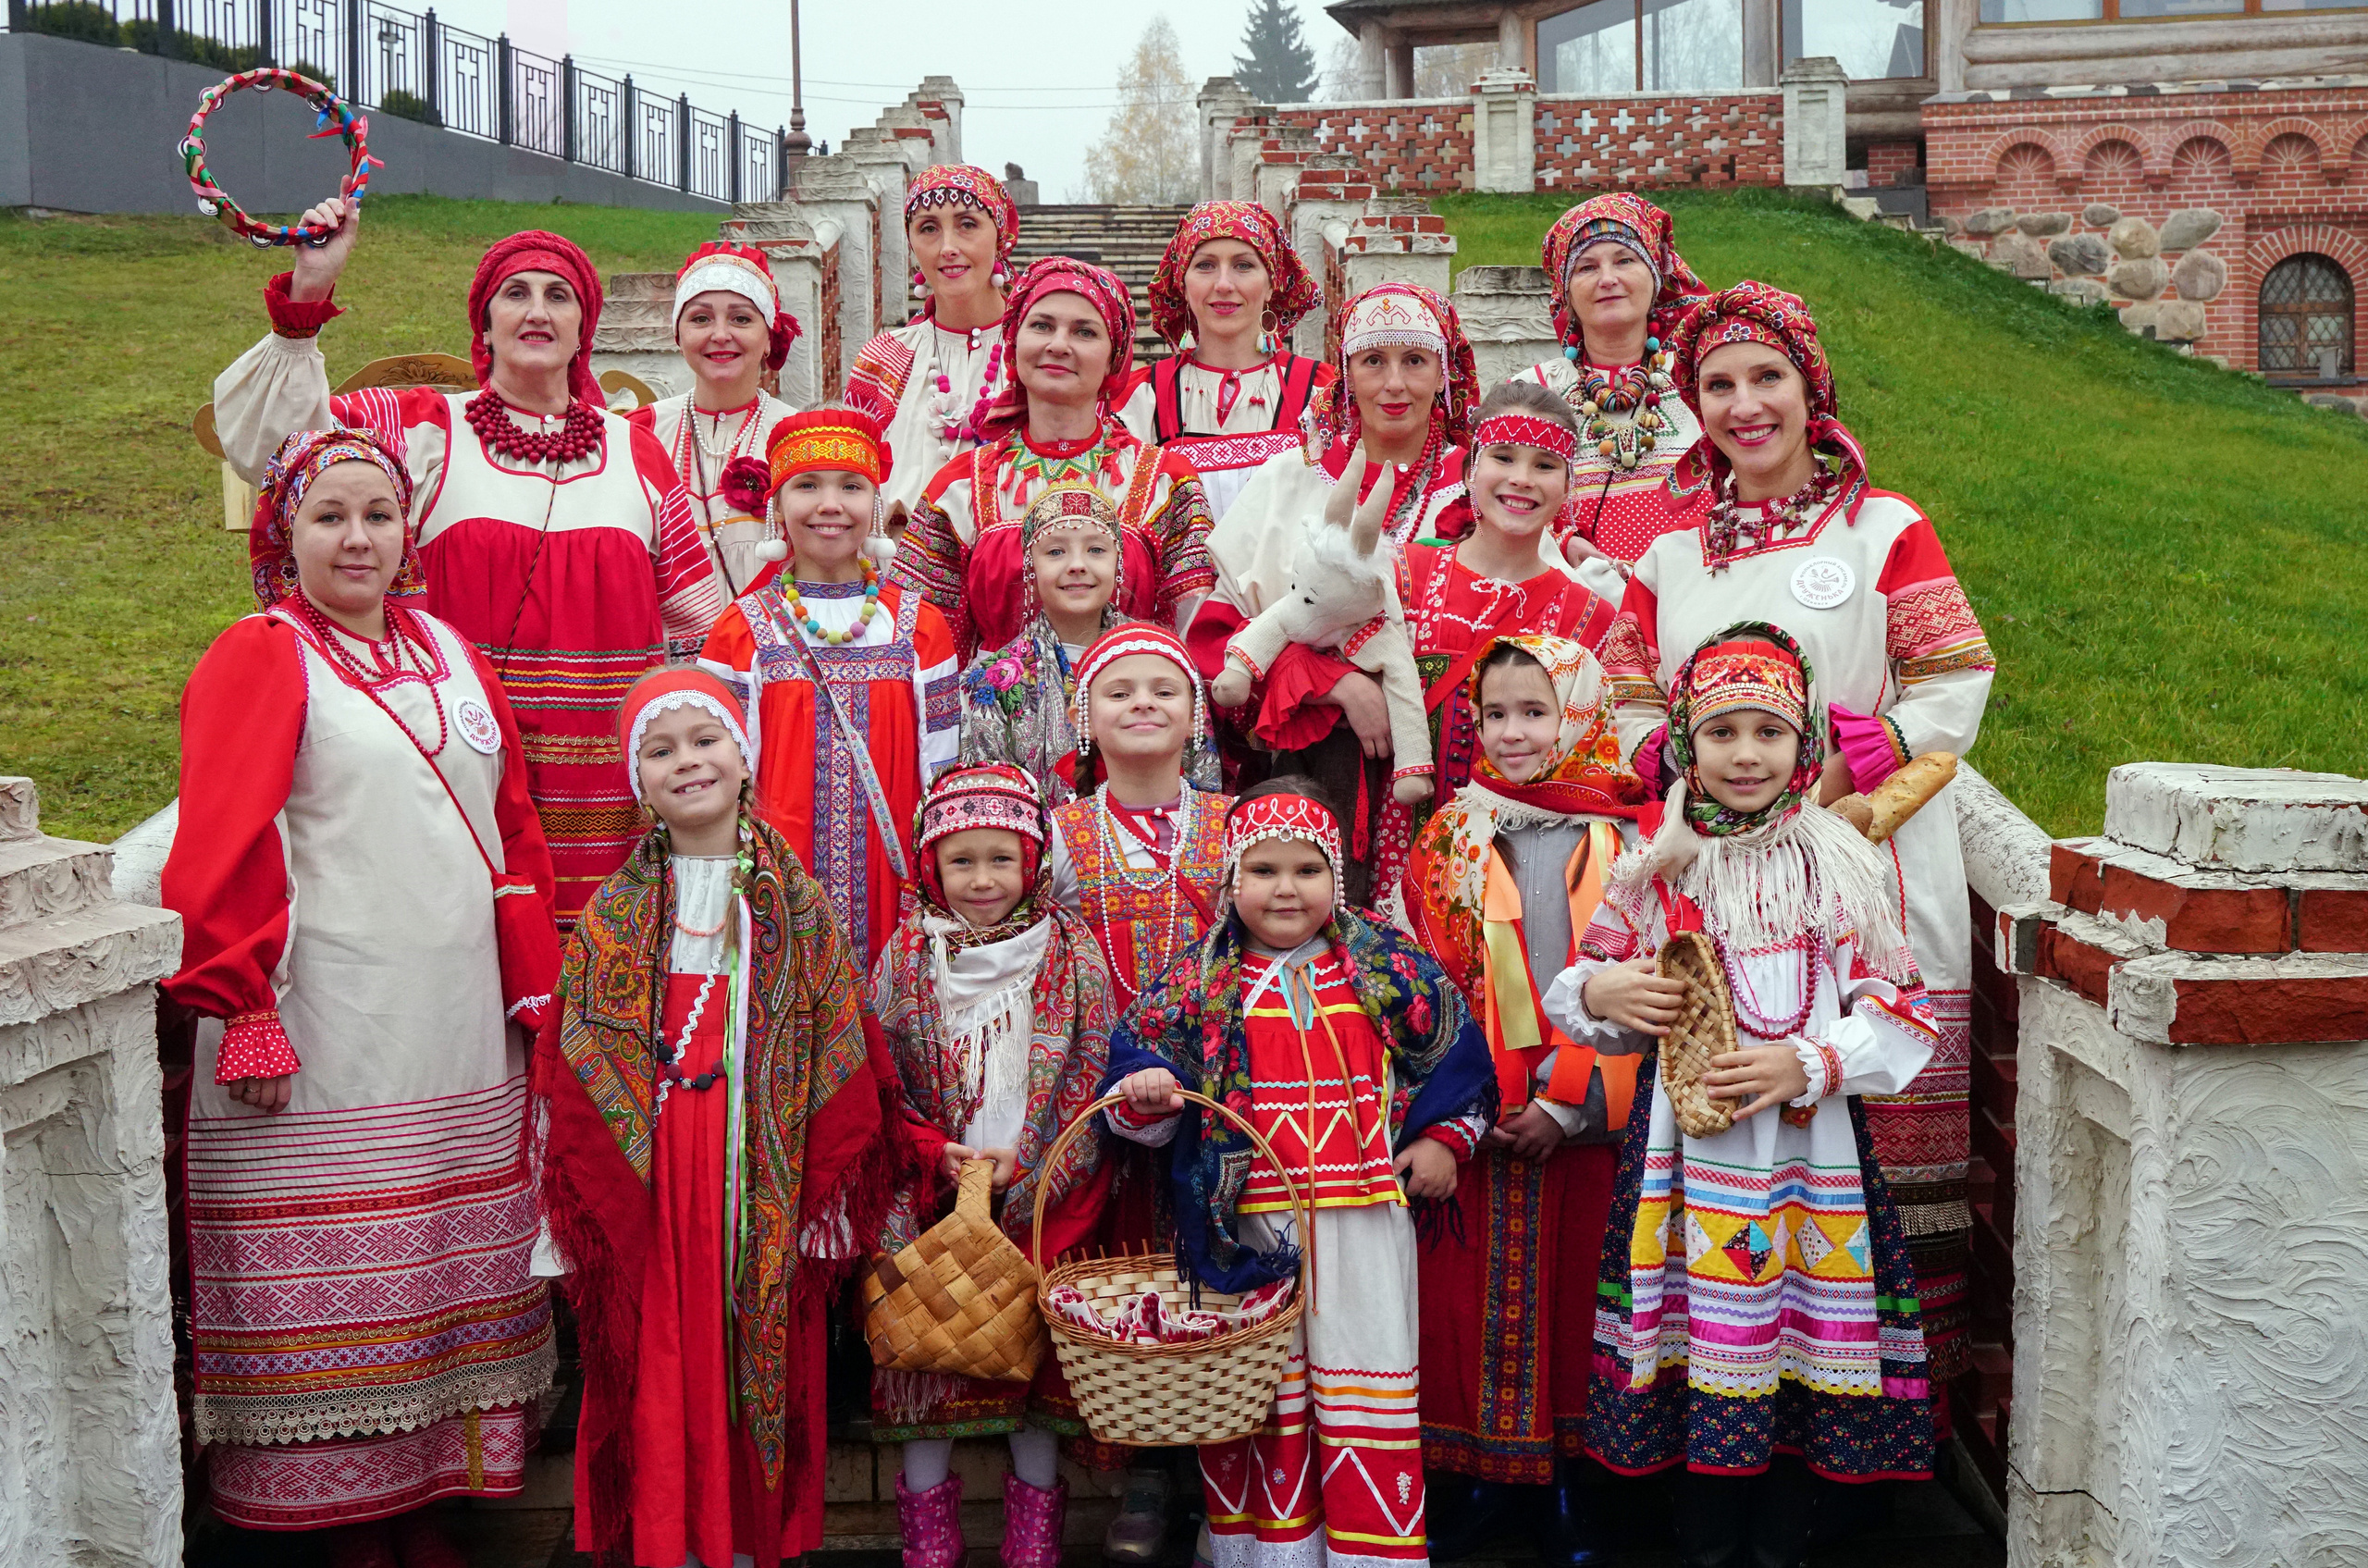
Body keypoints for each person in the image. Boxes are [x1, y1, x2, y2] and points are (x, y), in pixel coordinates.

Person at [162, 428, 559, 1561]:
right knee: (345, 1283)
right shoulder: (261, 653)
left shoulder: (450, 650)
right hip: (325, 1023)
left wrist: (531, 984)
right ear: (283, 534)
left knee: (441, 1270)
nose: (357, 538)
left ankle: (428, 1507)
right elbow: (223, 840)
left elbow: (512, 826)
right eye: (329, 515)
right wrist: (243, 1006)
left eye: (378, 515)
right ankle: (348, 1531)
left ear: (406, 532)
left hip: (457, 1027)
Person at [1601, 279, 1995, 1388]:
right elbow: (1630, 698)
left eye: (1765, 377)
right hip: (1714, 884)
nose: (1744, 405)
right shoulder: (1669, 554)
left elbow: (1954, 676)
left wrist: (1850, 770)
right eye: (1717, 384)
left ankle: (1879, 1410)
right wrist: (1687, 773)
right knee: (1725, 1130)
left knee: (1865, 1143)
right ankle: (1729, 1393)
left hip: (1861, 866)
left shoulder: (1882, 528)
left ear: (1808, 387)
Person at [1547, 624, 1940, 1568]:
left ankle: (1781, 1546)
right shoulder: (1659, 868)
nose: (1746, 754)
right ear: (1686, 744)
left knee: (1799, 1358)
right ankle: (1705, 1545)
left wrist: (1809, 1063)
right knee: (1702, 1361)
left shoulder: (1838, 863)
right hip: (1684, 1174)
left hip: (1812, 1170)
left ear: (1805, 744)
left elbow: (1905, 1015)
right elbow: (1582, 989)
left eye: (1769, 731)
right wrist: (1604, 994)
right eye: (1721, 732)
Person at [212, 202, 723, 923]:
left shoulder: (637, 452)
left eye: (559, 295)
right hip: (458, 774)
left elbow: (698, 635)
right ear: (484, 325)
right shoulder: (421, 429)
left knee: (603, 970)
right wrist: (310, 289)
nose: (537, 311)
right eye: (515, 294)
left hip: (609, 803)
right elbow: (283, 451)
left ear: (584, 328)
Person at [536, 666, 915, 1568]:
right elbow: (572, 1068)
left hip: (765, 1177)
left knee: (758, 1352)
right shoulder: (612, 916)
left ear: (743, 758)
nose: (687, 761)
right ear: (639, 783)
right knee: (661, 1355)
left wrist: (826, 1202)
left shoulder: (798, 906)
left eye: (705, 740)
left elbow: (840, 1046)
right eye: (660, 750)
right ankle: (667, 1540)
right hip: (659, 1179)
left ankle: (747, 1544)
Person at [1105, 780, 1498, 1568]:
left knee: (1366, 1382)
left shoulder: (1387, 966)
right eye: (1263, 870)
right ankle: (1264, 1553)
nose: (1286, 888)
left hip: (1364, 1219)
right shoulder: (1198, 981)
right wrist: (1145, 1088)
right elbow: (1137, 1068)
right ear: (1231, 879)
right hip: (1249, 1234)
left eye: (1307, 869)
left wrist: (1443, 1142)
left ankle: (1368, 1556)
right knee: (1261, 1397)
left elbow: (1459, 1059)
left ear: (1336, 877)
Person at [1400, 635, 1643, 1564]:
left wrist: (1565, 1104)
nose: (1512, 733)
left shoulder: (1622, 843)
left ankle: (1572, 1487)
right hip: (1481, 1118)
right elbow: (1426, 981)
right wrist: (1473, 1105)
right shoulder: (1450, 836)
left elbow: (1637, 986)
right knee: (1470, 1307)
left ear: (1579, 716)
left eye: (1536, 712)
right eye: (1493, 714)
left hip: (1585, 1124)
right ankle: (1484, 1482)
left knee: (1579, 1304)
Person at [869, 764, 1120, 1568]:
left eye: (1001, 859)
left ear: (1034, 861)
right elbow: (880, 1079)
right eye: (961, 861)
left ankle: (1034, 1543)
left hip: (1043, 1200)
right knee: (930, 1355)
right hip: (935, 1200)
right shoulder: (908, 956)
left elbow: (1094, 1072)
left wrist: (1040, 1163)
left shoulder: (1073, 954)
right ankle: (929, 1544)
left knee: (1034, 1374)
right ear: (931, 865)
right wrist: (928, 1153)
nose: (982, 879)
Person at [1192, 282, 1480, 905]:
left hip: (1456, 773)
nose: (1394, 384)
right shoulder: (1290, 476)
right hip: (1316, 778)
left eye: (1415, 360)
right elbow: (1217, 642)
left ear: (1444, 374)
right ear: (1346, 374)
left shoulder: (1481, 482)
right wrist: (1333, 683)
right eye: (1373, 361)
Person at [698, 407, 960, 970]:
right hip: (778, 884)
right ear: (777, 505)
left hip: (896, 886)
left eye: (851, 486)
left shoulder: (921, 627)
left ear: (875, 502)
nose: (830, 504)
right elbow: (721, 779)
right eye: (808, 485)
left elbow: (942, 772)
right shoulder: (740, 630)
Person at [894, 255, 1216, 662]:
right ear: (1014, 344)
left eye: (1084, 332)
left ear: (1114, 358)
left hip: (1134, 699)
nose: (1059, 345)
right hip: (993, 703)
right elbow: (920, 637)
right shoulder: (960, 485)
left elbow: (1195, 634)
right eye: (1042, 326)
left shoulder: (1165, 481)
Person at [1512, 194, 1711, 586]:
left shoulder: (1703, 380)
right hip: (1569, 605)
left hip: (1696, 595)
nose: (1607, 279)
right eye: (1587, 267)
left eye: (1624, 261)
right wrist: (1560, 541)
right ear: (1565, 293)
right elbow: (1486, 502)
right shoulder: (1531, 393)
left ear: (1655, 277)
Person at [1045, 624, 1231, 1019]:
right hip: (1104, 1047)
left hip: (1218, 1045)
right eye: (1119, 694)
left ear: (1195, 715)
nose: (1143, 703)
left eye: (1164, 692)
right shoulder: (1058, 834)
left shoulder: (1236, 823)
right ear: (1083, 720)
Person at [1116, 200, 1334, 520]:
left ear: (1271, 284)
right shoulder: (1142, 399)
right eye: (1205, 265)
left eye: (1243, 266)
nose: (1223, 284)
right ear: (1182, 285)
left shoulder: (1320, 394)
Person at [848, 164, 1022, 524]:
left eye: (967, 225)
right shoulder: (885, 360)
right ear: (911, 244)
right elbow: (848, 485)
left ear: (999, 236)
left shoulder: (1035, 350)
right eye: (928, 228)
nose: (948, 248)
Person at [629, 241, 804, 599]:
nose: (720, 335)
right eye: (700, 319)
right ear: (678, 336)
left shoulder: (801, 436)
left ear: (768, 338)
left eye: (741, 319)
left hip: (775, 630)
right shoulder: (640, 433)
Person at [956, 483, 1128, 805]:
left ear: (1118, 562)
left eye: (1096, 550)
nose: (1077, 565)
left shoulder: (1159, 661)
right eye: (1055, 552)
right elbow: (988, 803)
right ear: (1030, 567)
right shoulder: (991, 683)